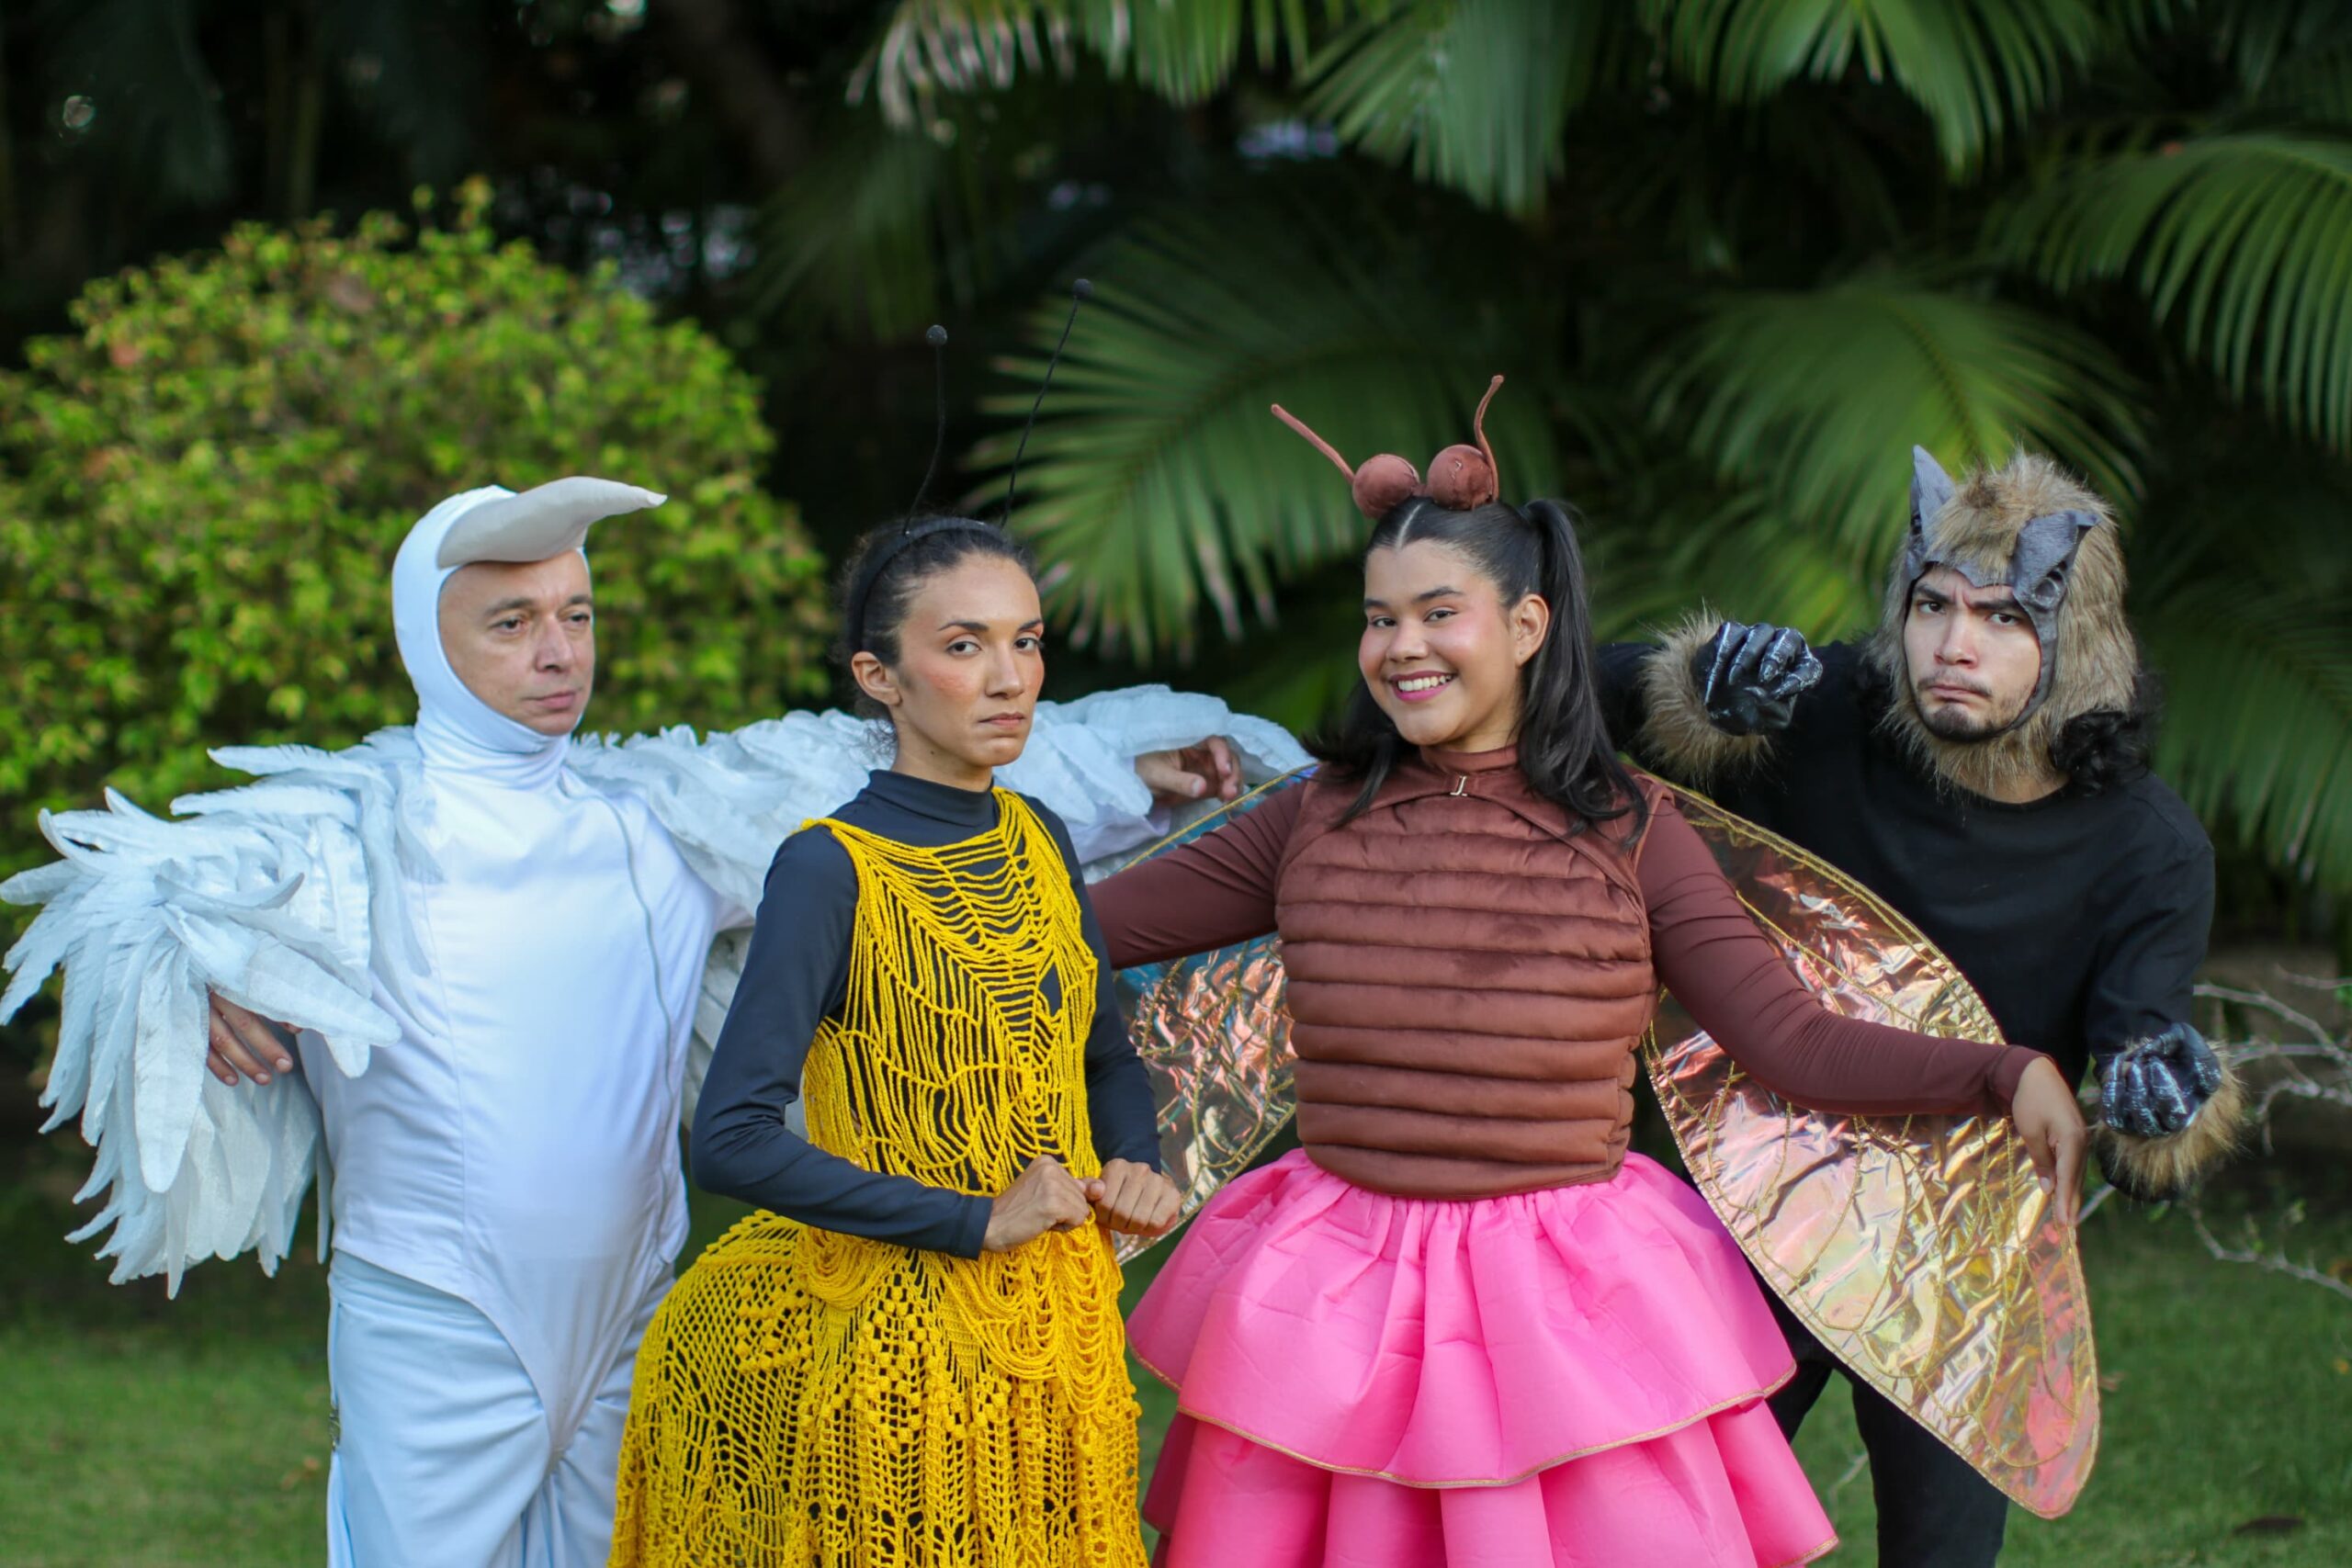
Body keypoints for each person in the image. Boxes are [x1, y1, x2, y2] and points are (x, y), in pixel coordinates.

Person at [0, 476, 1302, 1568]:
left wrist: (1131, 765)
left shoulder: (656, 815)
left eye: (573, 612)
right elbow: (140, 886)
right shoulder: (345, 833)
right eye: (510, 621)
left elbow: (876, 764)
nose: (558, 651)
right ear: (424, 638)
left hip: (637, 1295)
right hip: (439, 1307)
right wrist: (196, 958)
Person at [1086, 392, 2088, 1567]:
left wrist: (2001, 1070)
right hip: (1339, 1282)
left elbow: (1791, 1041)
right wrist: (877, 871)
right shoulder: (1312, 820)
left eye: (1437, 613)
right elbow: (1077, 925)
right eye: (1378, 619)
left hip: (1555, 1298)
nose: (1401, 646)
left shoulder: (1630, 829)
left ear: (1524, 625)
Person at [1594, 445, 2233, 1565]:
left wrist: (2164, 1098)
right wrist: (1694, 686)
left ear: (2071, 646)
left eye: (2000, 618)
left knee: (1942, 1551)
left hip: (1960, 1244)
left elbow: (2144, 1056)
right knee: (1669, 1534)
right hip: (1757, 1188)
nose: (1953, 644)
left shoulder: (2148, 846)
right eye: (1930, 604)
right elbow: (1553, 692)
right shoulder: (1829, 710)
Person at [609, 513, 1184, 1568]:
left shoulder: (1039, 836)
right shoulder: (830, 868)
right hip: (893, 1354)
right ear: (880, 676)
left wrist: (1137, 1163)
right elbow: (731, 1134)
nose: (1010, 677)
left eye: (1028, 639)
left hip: (1061, 1341)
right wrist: (973, 1219)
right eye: (964, 646)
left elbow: (1101, 1053)